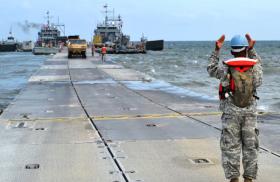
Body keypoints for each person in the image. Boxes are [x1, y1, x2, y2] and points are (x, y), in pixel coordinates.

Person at [207, 34, 263, 182]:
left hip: (231, 113)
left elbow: (211, 69)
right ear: (245, 49)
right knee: (251, 147)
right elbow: (259, 81)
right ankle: (249, 178)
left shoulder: (226, 66)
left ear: (232, 51)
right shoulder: (254, 65)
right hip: (250, 113)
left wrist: (216, 51)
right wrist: (252, 51)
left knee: (231, 147)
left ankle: (234, 179)